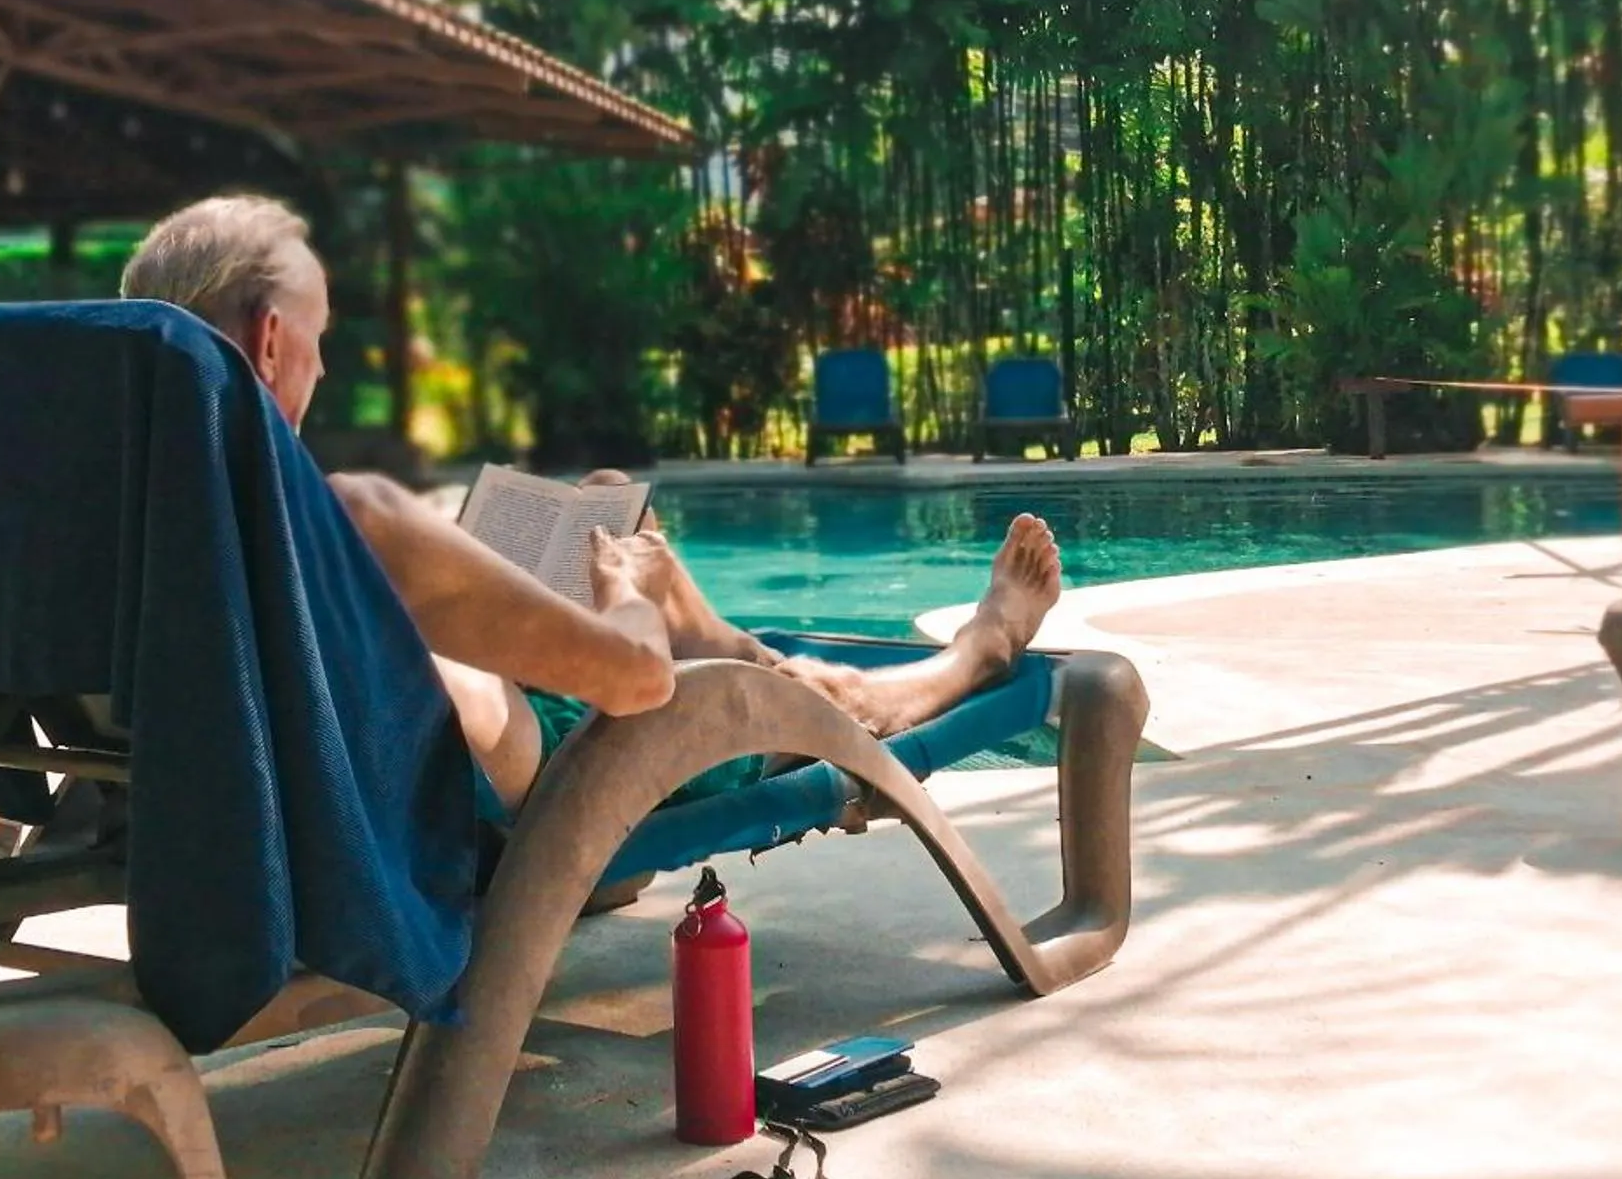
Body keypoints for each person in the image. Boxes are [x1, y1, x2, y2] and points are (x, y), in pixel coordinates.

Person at [117, 195, 1061, 814]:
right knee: (765, 691)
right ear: (274, 341)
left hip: (402, 756)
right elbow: (638, 685)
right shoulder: (350, 520)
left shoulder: (115, 541)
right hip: (554, 771)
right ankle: (974, 651)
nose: (323, 366)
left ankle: (707, 623)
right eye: (321, 339)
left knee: (609, 529)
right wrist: (621, 595)